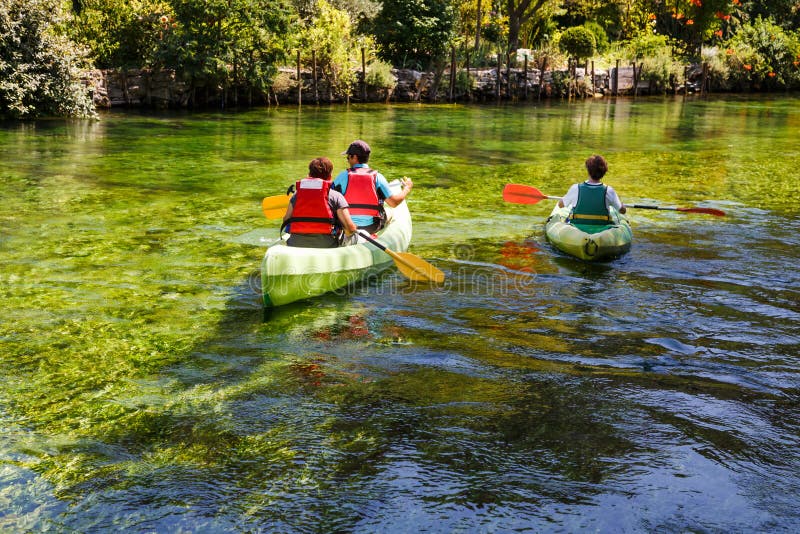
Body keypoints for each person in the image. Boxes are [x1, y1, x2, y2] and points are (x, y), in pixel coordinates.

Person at [332, 139, 413, 234]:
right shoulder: (378, 177)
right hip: (371, 227)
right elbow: (393, 203)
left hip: (346, 225)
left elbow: (329, 198)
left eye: (348, 157)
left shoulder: (343, 176)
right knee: (390, 212)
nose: (348, 160)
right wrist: (407, 189)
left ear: (354, 157)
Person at [282, 157, 358, 248]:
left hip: (295, 244)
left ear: (309, 174)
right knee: (354, 235)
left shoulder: (297, 195)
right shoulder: (336, 196)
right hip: (326, 245)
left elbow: (286, 220)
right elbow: (349, 228)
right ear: (329, 176)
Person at [558, 154, 626, 225]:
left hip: (578, 227)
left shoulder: (575, 188)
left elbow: (560, 205)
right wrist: (622, 205)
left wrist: (566, 198)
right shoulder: (609, 190)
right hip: (602, 228)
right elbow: (622, 211)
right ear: (604, 171)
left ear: (588, 170)